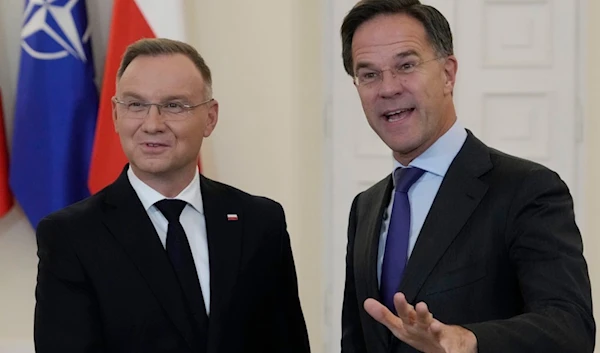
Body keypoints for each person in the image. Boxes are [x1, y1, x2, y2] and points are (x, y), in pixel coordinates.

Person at [339, 1, 595, 352]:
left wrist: (468, 340)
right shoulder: (365, 208)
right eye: (369, 74)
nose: (388, 88)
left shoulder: (527, 189)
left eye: (406, 65)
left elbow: (570, 327)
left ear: (448, 73)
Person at [34, 38, 310, 353]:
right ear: (115, 114)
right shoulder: (71, 235)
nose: (152, 124)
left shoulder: (261, 222)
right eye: (136, 104)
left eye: (174, 105)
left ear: (210, 117)